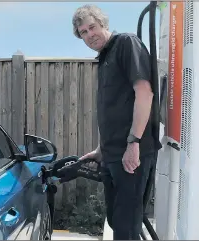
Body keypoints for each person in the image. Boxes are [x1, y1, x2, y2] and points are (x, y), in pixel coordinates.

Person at [72, 4, 162, 240]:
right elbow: (115, 108)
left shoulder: (125, 44)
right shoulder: (104, 58)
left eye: (92, 27)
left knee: (126, 229)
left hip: (132, 155)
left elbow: (145, 93)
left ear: (103, 24)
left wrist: (134, 144)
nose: (90, 34)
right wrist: (101, 150)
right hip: (113, 155)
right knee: (116, 220)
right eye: (83, 32)